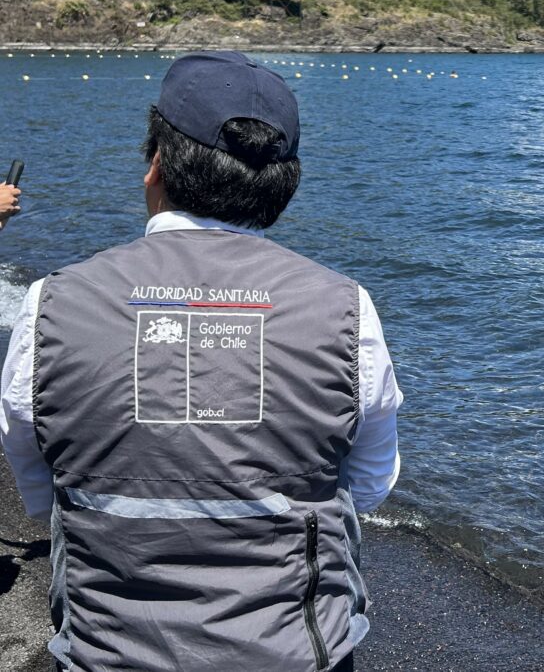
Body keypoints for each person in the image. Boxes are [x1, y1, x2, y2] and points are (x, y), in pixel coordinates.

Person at [0, 51, 402, 672]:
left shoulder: (52, 302)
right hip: (293, 650)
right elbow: (368, 484)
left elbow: (36, 475)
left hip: (104, 649)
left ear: (155, 165)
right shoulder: (346, 307)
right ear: (281, 186)